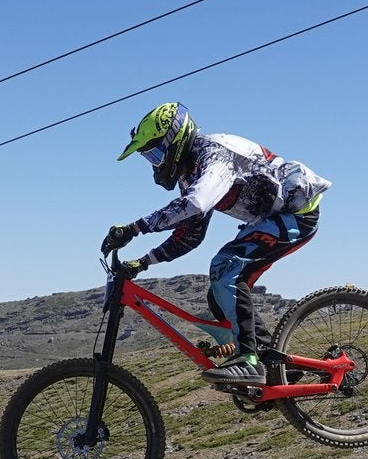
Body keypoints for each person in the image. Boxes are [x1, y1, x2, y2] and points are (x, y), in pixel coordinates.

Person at [101, 102, 330, 385]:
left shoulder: (213, 153)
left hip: (298, 213)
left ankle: (250, 361)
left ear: (175, 140)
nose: (156, 163)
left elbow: (196, 204)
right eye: (150, 158)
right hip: (272, 219)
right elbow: (189, 236)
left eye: (157, 153)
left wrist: (135, 228)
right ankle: (276, 367)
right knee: (219, 294)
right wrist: (143, 262)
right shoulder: (191, 173)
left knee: (225, 267)